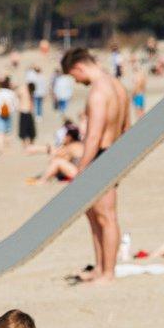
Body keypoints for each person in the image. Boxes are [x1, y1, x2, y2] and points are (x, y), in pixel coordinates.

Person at [62, 48, 126, 283]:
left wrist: (81, 170)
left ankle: (107, 272)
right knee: (95, 215)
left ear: (79, 67)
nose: (77, 82)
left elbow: (93, 136)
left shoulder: (98, 92)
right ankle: (100, 267)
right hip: (114, 153)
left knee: (106, 217)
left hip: (100, 156)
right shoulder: (118, 87)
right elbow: (127, 127)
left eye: (74, 77)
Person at [0, 76, 17, 153]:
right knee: (8, 131)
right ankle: (7, 147)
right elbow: (15, 104)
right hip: (9, 113)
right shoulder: (11, 93)